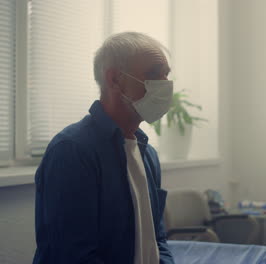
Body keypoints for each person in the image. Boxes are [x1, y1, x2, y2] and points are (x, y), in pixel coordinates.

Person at [33, 32, 175, 264]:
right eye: (153, 74)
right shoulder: (73, 151)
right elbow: (73, 255)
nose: (165, 84)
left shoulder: (147, 154)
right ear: (114, 80)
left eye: (166, 74)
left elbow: (157, 239)